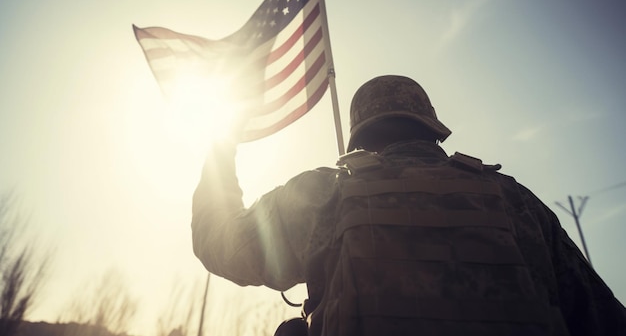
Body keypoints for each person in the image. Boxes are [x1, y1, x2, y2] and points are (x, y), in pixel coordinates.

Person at [191, 75, 625, 335]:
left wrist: (219, 149)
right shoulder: (516, 201)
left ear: (358, 138)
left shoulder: (324, 196)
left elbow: (219, 241)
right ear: (432, 129)